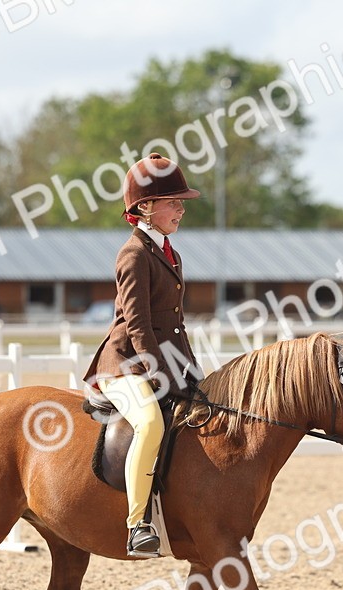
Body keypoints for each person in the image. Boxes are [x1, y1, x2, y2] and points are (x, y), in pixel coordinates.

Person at [82, 153, 202, 558]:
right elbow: (139, 324)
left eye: (182, 201)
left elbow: (175, 323)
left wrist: (191, 371)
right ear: (146, 207)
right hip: (127, 364)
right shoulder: (133, 254)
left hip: (166, 359)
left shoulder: (170, 253)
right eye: (174, 201)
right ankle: (138, 525)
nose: (181, 209)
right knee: (150, 423)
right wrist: (158, 372)